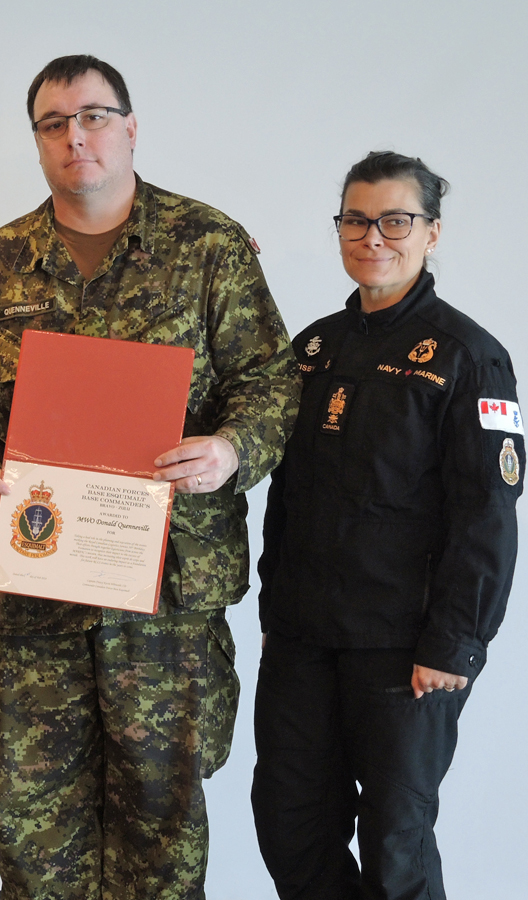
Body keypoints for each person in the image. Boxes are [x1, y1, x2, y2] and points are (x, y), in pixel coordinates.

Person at [0, 54, 299, 899]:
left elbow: (273, 379)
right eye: (54, 123)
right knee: (36, 838)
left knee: (161, 832)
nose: (77, 137)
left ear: (131, 128)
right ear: (36, 141)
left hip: (163, 605)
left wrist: (231, 449)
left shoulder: (208, 246)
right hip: (35, 602)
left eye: (95, 117)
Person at [252, 151, 521, 900]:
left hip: (407, 651)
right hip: (304, 639)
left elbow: (487, 516)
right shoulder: (311, 350)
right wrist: (277, 613)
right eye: (356, 219)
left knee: (395, 844)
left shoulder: (469, 357)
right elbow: (284, 497)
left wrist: (456, 644)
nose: (374, 236)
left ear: (432, 232)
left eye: (396, 220)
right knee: (289, 820)